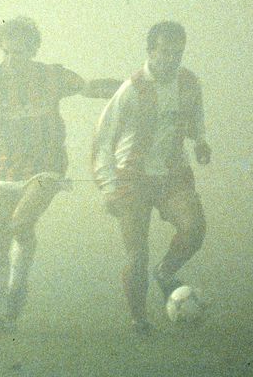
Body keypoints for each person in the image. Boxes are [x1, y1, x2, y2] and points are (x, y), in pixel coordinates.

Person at [0, 16, 121, 334]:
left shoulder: (51, 75)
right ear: (1, 47)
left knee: (22, 222)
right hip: (7, 168)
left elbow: (88, 87)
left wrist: (127, 88)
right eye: (11, 52)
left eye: (24, 52)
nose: (17, 60)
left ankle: (18, 291)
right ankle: (2, 316)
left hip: (47, 166)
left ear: (34, 49)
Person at [92, 21, 211, 336]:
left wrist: (200, 141)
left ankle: (166, 272)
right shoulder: (132, 89)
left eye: (178, 53)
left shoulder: (189, 83)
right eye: (165, 52)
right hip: (133, 177)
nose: (171, 59)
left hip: (173, 174)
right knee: (137, 252)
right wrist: (108, 188)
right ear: (150, 51)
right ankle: (139, 321)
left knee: (195, 230)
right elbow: (103, 141)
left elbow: (195, 116)